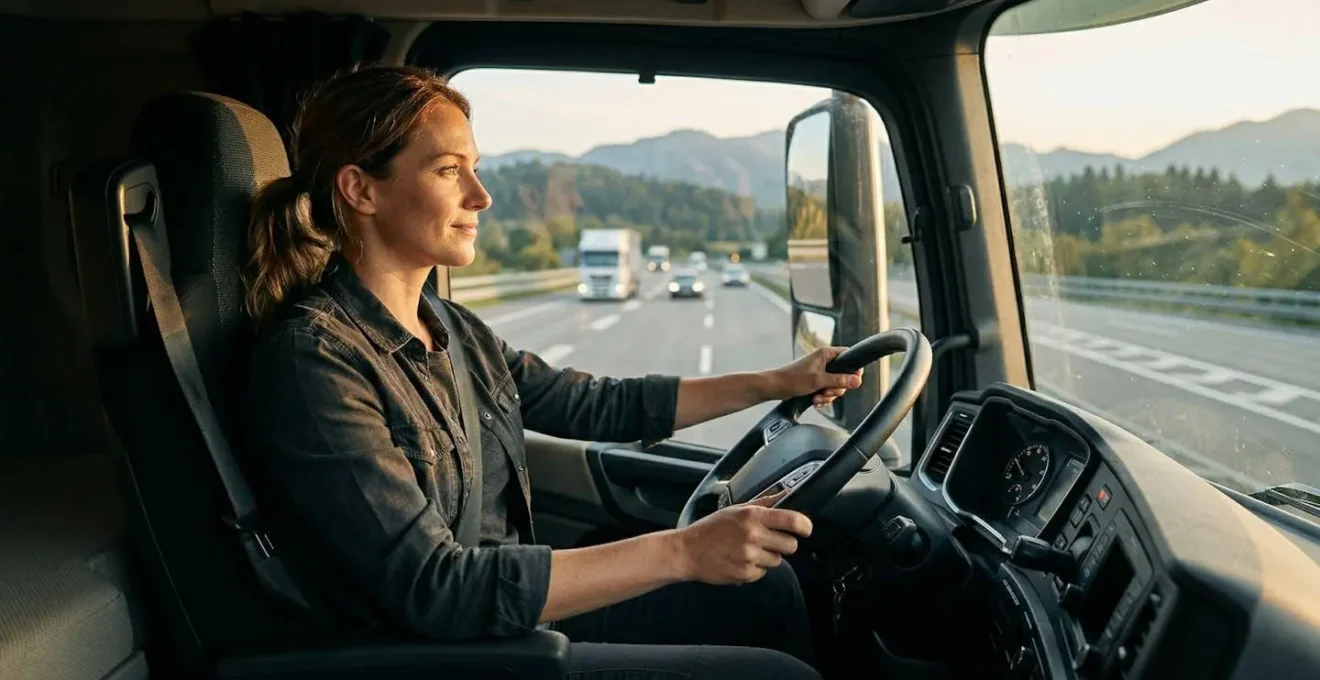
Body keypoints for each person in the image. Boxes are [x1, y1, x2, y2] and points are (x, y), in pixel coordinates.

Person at [240, 64, 864, 680]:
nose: (480, 197)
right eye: (449, 171)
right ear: (362, 190)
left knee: (767, 590)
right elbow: (432, 587)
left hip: (505, 617)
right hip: (446, 652)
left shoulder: (455, 329)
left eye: (475, 170)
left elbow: (597, 405)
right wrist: (684, 551)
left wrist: (779, 383)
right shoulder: (316, 360)